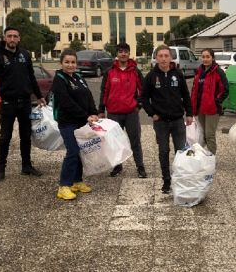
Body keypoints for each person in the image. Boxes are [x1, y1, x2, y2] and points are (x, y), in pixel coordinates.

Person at [0, 26, 46, 182]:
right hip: (7, 103)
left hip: (25, 102)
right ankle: (0, 169)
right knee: (5, 137)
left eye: (15, 36)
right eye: (9, 36)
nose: (12, 39)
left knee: (26, 136)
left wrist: (39, 96)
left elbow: (31, 77)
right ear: (5, 38)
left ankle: (26, 166)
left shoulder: (25, 55)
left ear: (19, 38)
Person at [142, 44, 193, 194]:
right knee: (163, 151)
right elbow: (144, 98)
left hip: (178, 120)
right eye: (160, 56)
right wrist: (152, 113)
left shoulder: (177, 74)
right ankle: (166, 181)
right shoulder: (151, 76)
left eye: (166, 56)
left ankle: (179, 180)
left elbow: (186, 95)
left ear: (171, 57)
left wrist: (189, 113)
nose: (164, 59)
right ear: (156, 58)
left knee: (181, 152)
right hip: (161, 122)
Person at [51, 49, 99, 200]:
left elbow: (88, 96)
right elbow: (66, 103)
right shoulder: (59, 79)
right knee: (72, 152)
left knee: (79, 152)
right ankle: (64, 186)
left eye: (73, 62)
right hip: (67, 123)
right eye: (67, 62)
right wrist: (86, 116)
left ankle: (77, 181)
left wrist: (93, 112)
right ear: (61, 63)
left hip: (81, 122)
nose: (70, 65)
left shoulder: (78, 77)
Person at [98, 42, 147, 178]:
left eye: (126, 51)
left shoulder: (135, 71)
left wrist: (138, 105)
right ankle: (117, 166)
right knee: (115, 142)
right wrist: (101, 109)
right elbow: (104, 91)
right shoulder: (109, 72)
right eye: (120, 51)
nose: (123, 54)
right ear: (117, 54)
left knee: (135, 141)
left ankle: (140, 167)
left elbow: (144, 90)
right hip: (113, 113)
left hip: (131, 113)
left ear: (129, 53)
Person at [190, 48, 229, 155]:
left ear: (212, 58)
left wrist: (216, 101)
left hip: (212, 109)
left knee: (209, 134)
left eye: (208, 57)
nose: (205, 59)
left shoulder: (218, 72)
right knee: (202, 134)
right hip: (200, 108)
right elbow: (194, 90)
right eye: (203, 57)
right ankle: (203, 154)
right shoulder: (199, 71)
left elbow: (225, 89)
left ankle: (211, 157)